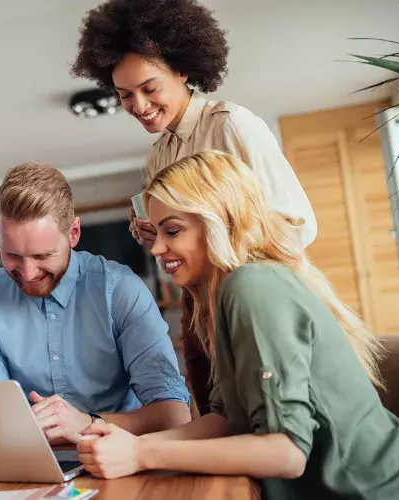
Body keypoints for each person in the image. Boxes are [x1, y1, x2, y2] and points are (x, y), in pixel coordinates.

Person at [76, 151, 399, 499]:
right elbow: (224, 420)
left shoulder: (253, 286)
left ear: (219, 223)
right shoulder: (230, 293)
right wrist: (130, 444)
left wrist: (140, 454)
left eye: (172, 230)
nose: (158, 247)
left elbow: (287, 453)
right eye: (157, 232)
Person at [70, 0, 317, 416]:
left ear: (183, 70)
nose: (139, 105)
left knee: (279, 421)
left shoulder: (231, 125)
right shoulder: (156, 157)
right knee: (219, 416)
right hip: (198, 307)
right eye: (125, 95)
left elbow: (296, 225)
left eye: (150, 88)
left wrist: (235, 270)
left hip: (257, 297)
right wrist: (156, 233)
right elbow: (176, 231)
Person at [0, 162, 191, 445]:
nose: (28, 274)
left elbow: (175, 415)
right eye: (12, 255)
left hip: (119, 455)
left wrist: (87, 423)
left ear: (74, 233)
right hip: (30, 463)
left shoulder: (120, 289)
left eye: (43, 256)